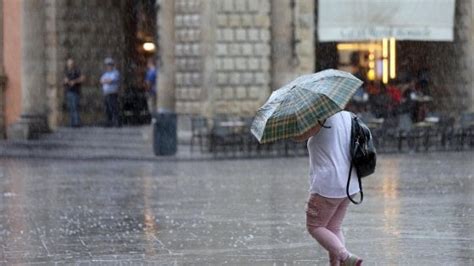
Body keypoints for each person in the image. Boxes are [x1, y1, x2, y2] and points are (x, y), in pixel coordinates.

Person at [294, 111, 363, 266]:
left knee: (315, 227)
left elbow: (299, 136)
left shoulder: (320, 119)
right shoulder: (348, 116)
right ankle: (336, 264)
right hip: (349, 181)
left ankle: (346, 257)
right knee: (333, 227)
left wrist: (298, 121)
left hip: (329, 184)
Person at [63, 58, 85, 127]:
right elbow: (64, 80)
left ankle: (77, 123)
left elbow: (82, 78)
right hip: (68, 91)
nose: (70, 65)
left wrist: (74, 81)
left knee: (75, 107)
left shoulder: (77, 71)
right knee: (70, 107)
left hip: (75, 91)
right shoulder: (66, 71)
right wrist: (65, 81)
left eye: (71, 64)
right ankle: (72, 123)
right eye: (69, 64)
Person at [100, 57, 121, 127]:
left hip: (112, 93)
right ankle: (109, 122)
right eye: (107, 65)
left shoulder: (115, 72)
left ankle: (116, 122)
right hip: (106, 93)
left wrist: (106, 81)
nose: (108, 66)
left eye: (109, 65)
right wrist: (106, 81)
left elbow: (111, 80)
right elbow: (101, 81)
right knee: (107, 108)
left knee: (114, 108)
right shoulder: (105, 73)